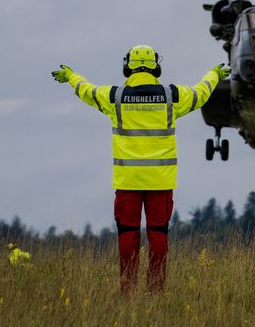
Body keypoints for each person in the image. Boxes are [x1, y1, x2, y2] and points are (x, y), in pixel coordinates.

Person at [52, 45, 230, 293]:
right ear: (156, 66)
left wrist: (71, 76)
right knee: (158, 236)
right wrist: (214, 75)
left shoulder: (114, 96)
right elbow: (200, 94)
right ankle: (155, 291)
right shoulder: (172, 96)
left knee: (127, 235)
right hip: (160, 181)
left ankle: (128, 289)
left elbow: (87, 91)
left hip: (128, 180)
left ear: (128, 66)